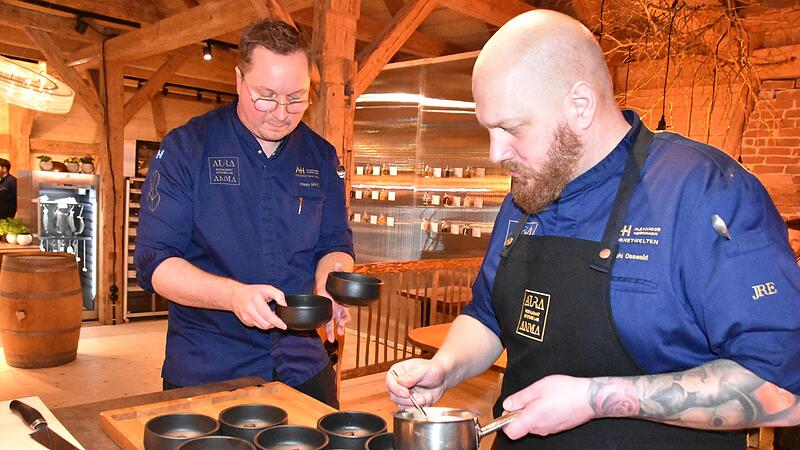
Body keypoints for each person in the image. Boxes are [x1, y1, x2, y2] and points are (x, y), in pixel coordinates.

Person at [387, 10, 800, 449]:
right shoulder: (529, 189)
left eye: (509, 128)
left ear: (579, 106)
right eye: (488, 129)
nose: (495, 153)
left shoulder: (703, 191)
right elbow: (488, 316)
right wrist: (446, 367)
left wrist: (595, 398)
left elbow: (783, 387)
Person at [134, 19, 354, 408]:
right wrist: (233, 296)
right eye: (266, 96)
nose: (282, 113)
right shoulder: (187, 148)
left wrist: (331, 283)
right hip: (208, 365)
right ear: (238, 79)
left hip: (301, 361)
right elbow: (157, 265)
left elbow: (335, 245)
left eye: (296, 98)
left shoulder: (321, 156)